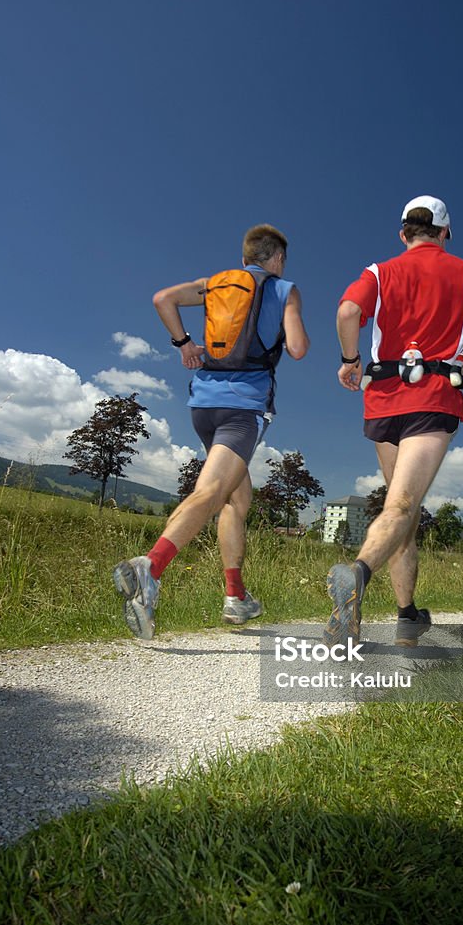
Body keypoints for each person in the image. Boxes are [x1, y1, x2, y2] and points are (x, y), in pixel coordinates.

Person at [325, 195, 463, 647]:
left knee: (402, 514)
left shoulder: (379, 272)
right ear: (445, 233)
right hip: (433, 398)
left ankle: (407, 619)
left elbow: (348, 312)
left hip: (384, 400)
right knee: (402, 507)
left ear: (403, 233)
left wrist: (350, 360)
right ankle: (356, 578)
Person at [113, 224, 310, 639]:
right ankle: (150, 569)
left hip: (203, 404)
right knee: (211, 493)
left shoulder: (214, 284)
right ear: (276, 260)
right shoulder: (284, 288)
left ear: (244, 259)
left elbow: (162, 299)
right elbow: (297, 348)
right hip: (244, 409)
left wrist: (184, 344)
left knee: (237, 498)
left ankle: (235, 597)